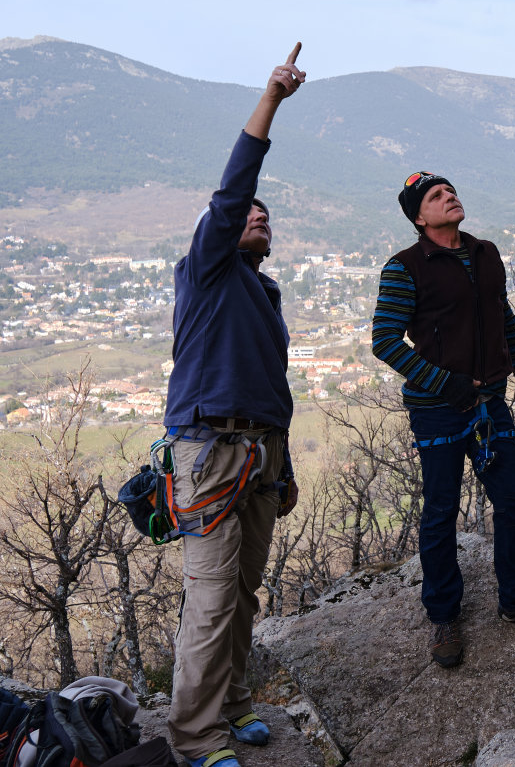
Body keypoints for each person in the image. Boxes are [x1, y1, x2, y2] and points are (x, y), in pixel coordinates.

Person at [164, 47, 306, 767]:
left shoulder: (265, 294)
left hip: (259, 451)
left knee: (245, 592)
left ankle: (235, 701)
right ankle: (195, 737)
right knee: (213, 597)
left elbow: (270, 386)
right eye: (247, 213)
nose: (258, 214)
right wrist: (271, 99)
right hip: (213, 448)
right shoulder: (209, 270)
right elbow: (233, 186)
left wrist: (284, 464)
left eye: (266, 215)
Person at [370, 172, 515, 668]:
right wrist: (444, 382)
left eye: (449, 191)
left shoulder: (485, 253)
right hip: (437, 411)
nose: (448, 197)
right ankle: (444, 617)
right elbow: (385, 341)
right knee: (440, 512)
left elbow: (503, 320)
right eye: (435, 196)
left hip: (491, 403)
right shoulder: (404, 269)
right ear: (419, 217)